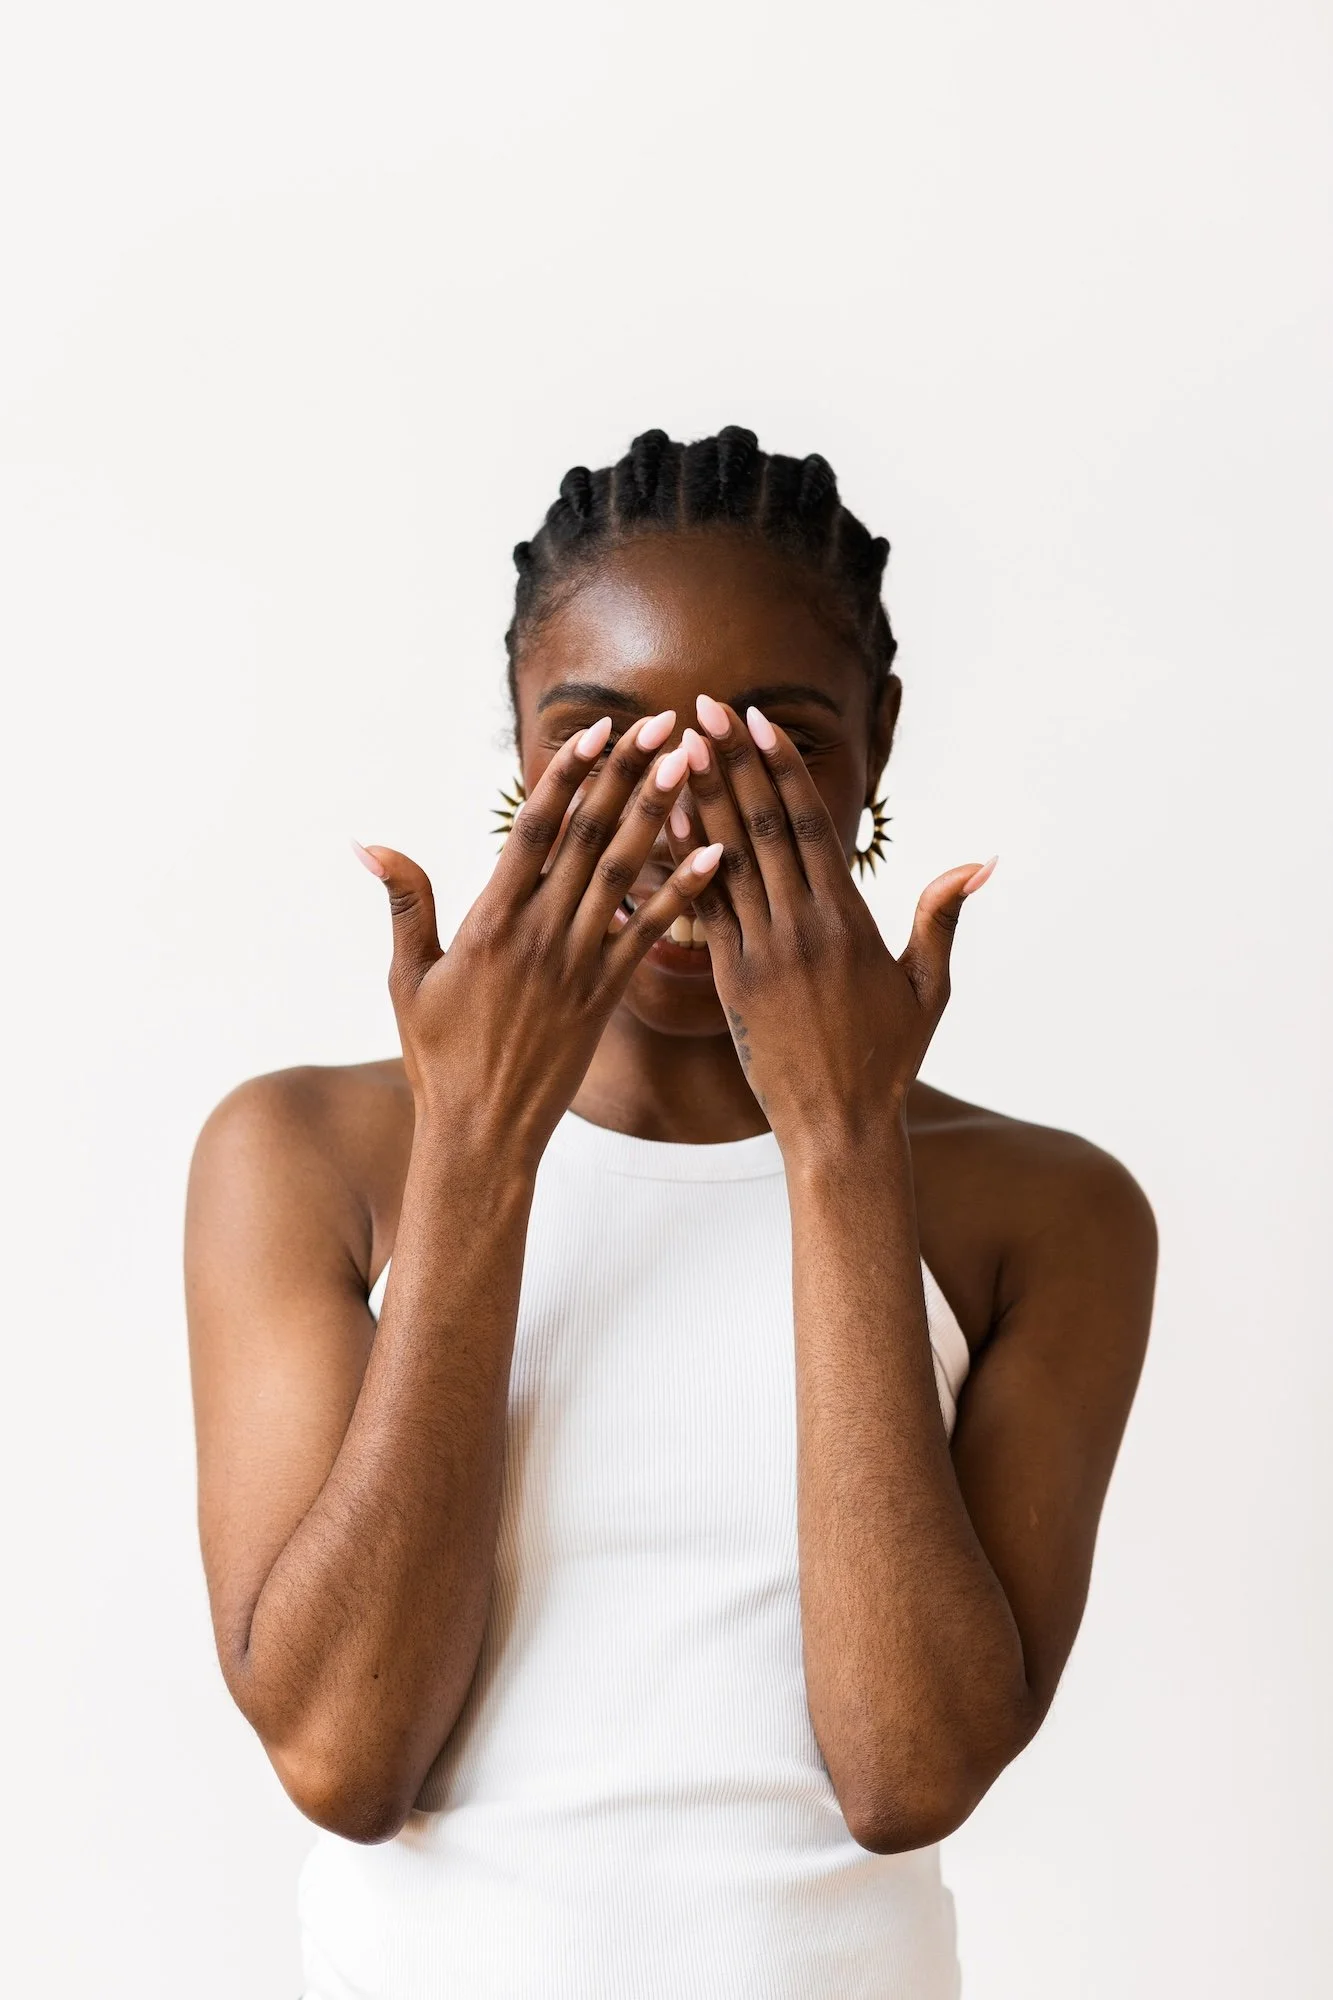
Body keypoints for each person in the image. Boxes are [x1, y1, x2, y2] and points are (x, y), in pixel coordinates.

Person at [184, 425, 1157, 1999]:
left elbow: (905, 1774)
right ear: (517, 739)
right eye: (603, 739)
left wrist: (839, 1140)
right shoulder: (306, 1151)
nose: (692, 819)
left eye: (777, 741)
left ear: (878, 744)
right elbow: (346, 1759)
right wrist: (480, 1150)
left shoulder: (1045, 1212)